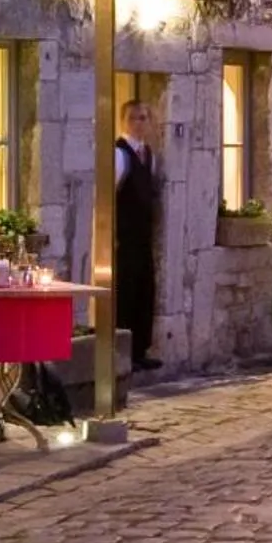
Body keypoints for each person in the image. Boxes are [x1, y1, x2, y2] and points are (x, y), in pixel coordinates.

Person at [114, 98, 162, 369]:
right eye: (135, 118)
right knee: (127, 292)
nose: (140, 123)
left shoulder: (148, 155)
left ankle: (141, 349)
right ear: (125, 121)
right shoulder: (120, 154)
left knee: (145, 291)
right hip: (126, 236)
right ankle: (124, 353)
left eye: (145, 118)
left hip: (143, 237)